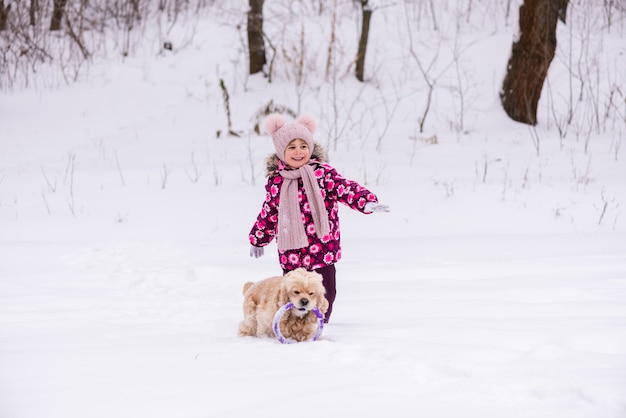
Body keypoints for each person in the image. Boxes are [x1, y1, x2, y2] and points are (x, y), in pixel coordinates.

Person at [248, 113, 389, 323]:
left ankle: (321, 324)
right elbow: (269, 212)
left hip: (322, 248)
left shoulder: (323, 174)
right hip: (292, 252)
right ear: (281, 151)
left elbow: (344, 188)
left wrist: (365, 201)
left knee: (326, 292)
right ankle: (294, 326)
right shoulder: (277, 182)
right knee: (293, 294)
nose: (298, 151)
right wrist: (258, 239)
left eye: (303, 146)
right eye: (292, 147)